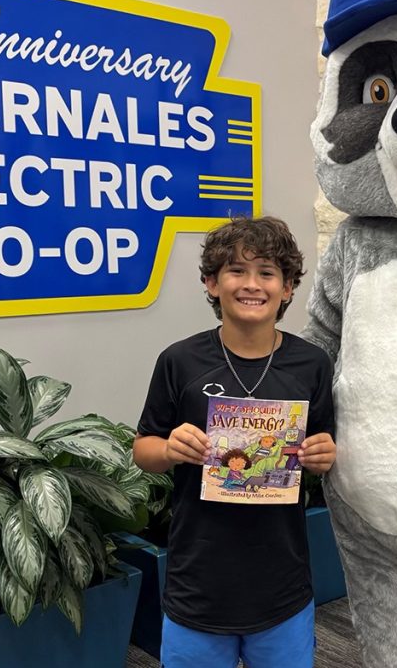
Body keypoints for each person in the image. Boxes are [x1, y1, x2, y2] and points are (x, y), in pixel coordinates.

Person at [133, 215, 337, 668]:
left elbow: (325, 446)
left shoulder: (312, 365)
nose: (252, 284)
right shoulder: (180, 361)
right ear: (212, 282)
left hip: (282, 584)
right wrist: (167, 450)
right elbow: (143, 450)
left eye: (267, 272)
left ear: (288, 288)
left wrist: (324, 454)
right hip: (197, 582)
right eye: (236, 270)